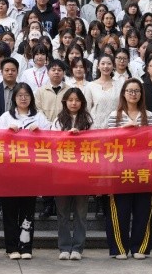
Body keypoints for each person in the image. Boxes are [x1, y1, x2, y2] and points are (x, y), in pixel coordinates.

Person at [103, 79, 152, 260]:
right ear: (123, 94)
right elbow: (108, 141)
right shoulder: (115, 115)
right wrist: (123, 131)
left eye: (136, 91)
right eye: (129, 91)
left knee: (143, 209)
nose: (133, 94)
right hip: (120, 170)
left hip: (144, 169)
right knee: (120, 211)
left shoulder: (149, 115)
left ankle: (140, 247)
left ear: (141, 94)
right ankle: (119, 248)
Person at [0, 83, 50, 260]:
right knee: (10, 211)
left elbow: (51, 140)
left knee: (27, 210)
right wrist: (7, 132)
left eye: (26, 95)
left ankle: (26, 247)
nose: (23, 98)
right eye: (20, 95)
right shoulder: (5, 117)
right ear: (14, 98)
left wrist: (39, 132)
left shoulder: (39, 117)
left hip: (30, 173)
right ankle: (11, 247)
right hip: (9, 173)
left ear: (31, 98)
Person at [52, 88, 92, 261]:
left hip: (82, 172)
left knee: (81, 213)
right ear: (65, 102)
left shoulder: (88, 120)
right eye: (70, 100)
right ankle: (64, 247)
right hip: (62, 173)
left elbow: (95, 143)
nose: (73, 103)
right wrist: (66, 137)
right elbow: (52, 144)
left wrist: (81, 137)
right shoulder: (58, 120)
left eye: (77, 100)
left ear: (82, 102)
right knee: (62, 213)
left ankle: (77, 248)